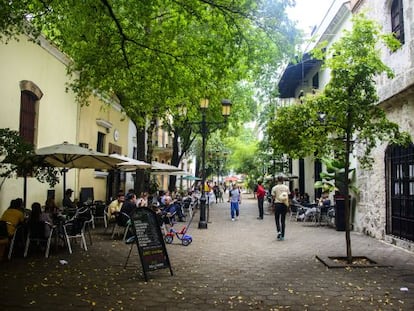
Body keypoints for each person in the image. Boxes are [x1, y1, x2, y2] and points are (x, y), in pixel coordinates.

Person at [271, 175, 290, 241]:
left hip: (277, 204)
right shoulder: (286, 187)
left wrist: (273, 205)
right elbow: (288, 196)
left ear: (277, 180)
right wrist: (288, 205)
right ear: (283, 180)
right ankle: (283, 235)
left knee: (277, 219)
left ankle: (279, 232)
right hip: (284, 204)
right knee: (283, 220)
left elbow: (273, 197)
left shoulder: (274, 188)